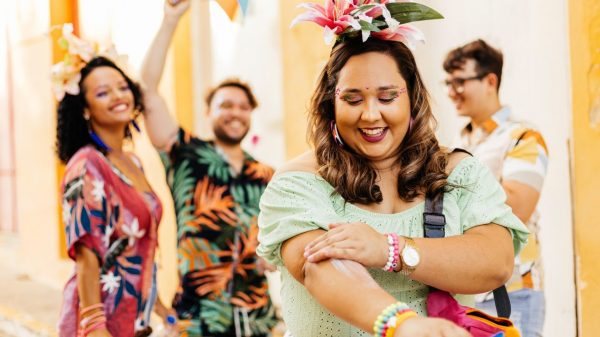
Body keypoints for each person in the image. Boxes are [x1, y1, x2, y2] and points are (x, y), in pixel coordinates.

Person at [257, 1, 530, 336]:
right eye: (353, 100)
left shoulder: (459, 171)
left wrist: (390, 249)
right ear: (331, 104)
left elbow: (496, 260)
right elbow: (319, 266)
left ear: (411, 98)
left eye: (387, 98)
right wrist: (400, 325)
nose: (371, 115)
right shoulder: (298, 182)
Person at [140, 1, 278, 336]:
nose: (236, 112)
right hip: (196, 317)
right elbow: (146, 90)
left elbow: (280, 239)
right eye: (226, 105)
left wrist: (275, 256)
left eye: (244, 107)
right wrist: (170, 21)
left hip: (257, 318)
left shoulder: (266, 175)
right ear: (209, 112)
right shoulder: (186, 154)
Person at [54, 25, 174, 337]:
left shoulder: (132, 161)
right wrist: (94, 326)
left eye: (122, 87)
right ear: (84, 108)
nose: (118, 96)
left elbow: (138, 246)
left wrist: (159, 306)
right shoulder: (87, 165)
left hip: (135, 317)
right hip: (102, 320)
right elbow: (87, 252)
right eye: (102, 92)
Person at [444, 39, 549, 337]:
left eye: (460, 81)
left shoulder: (524, 137)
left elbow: (517, 207)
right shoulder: (458, 142)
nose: (452, 91)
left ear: (490, 81)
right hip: (466, 292)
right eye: (448, 82)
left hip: (514, 290)